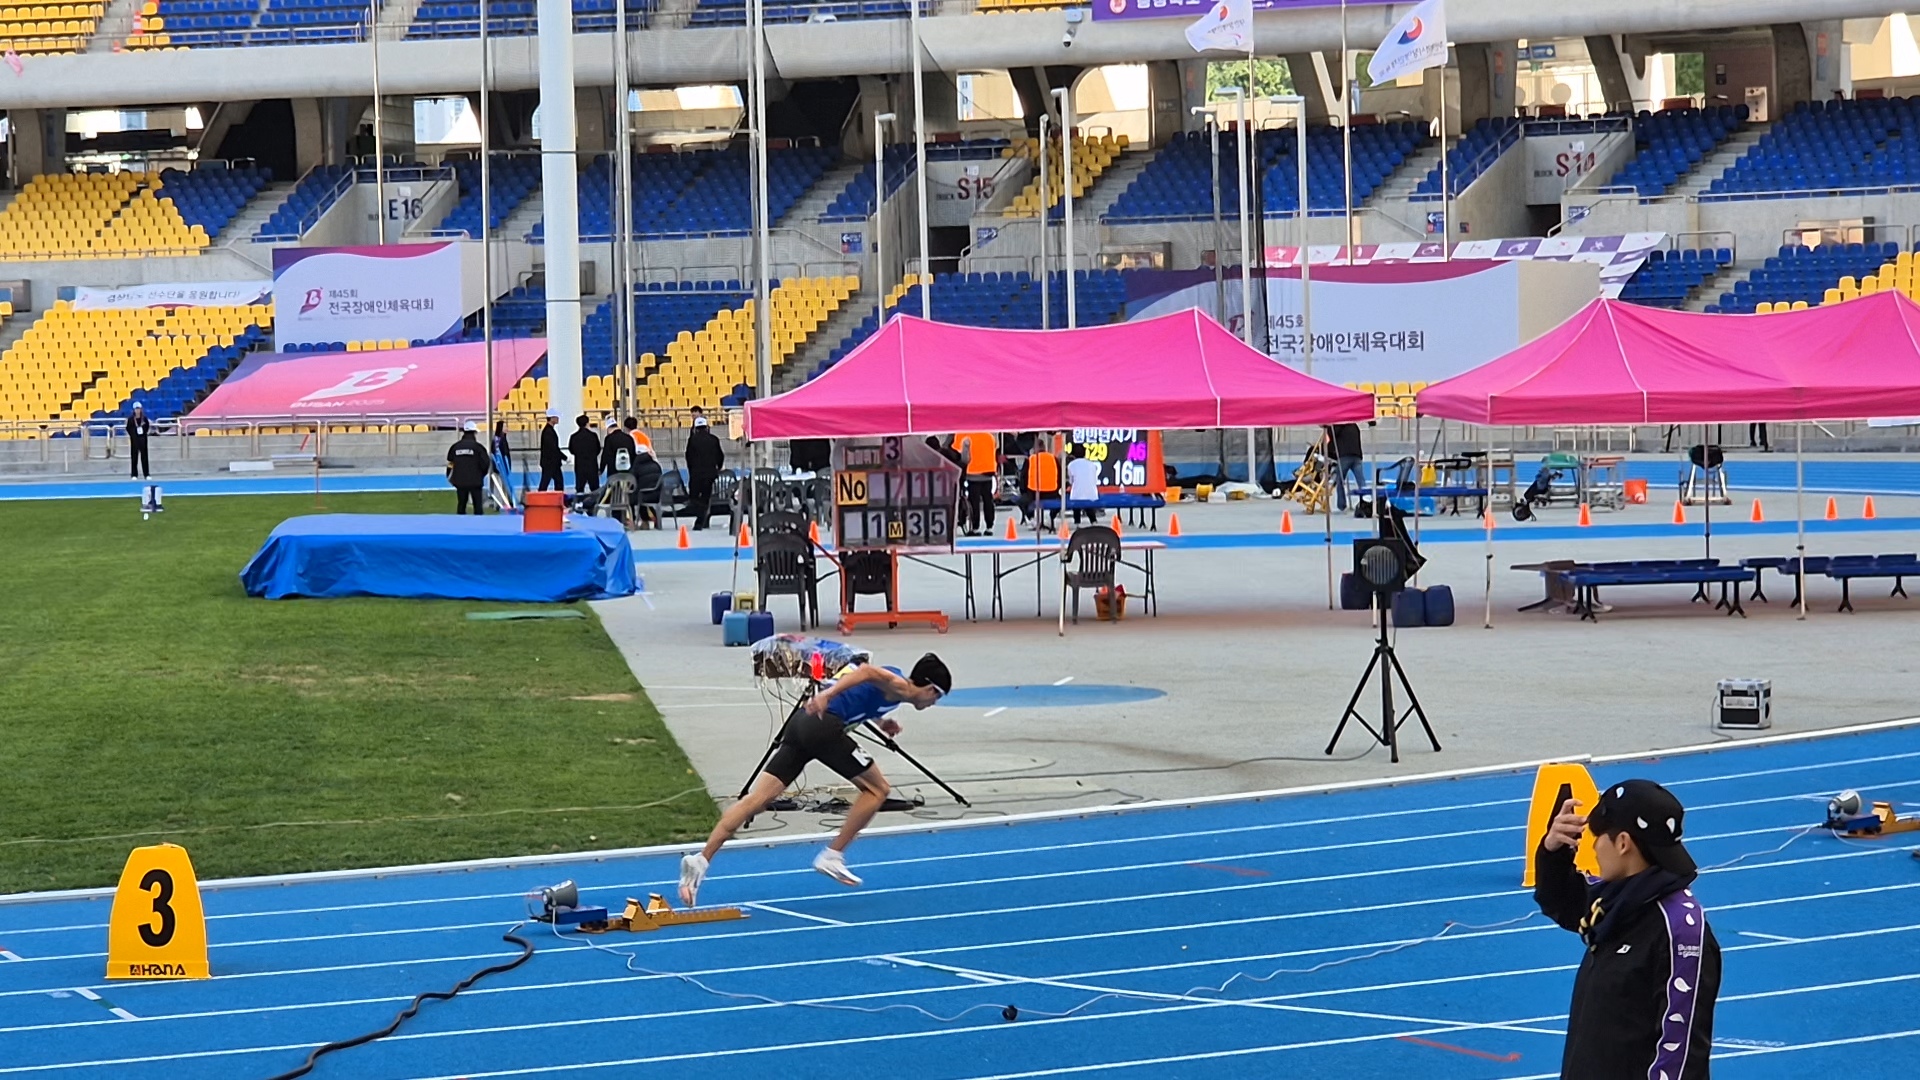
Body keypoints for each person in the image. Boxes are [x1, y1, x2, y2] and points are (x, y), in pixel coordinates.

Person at [680, 653, 952, 904]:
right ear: (930, 689)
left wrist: (881, 721)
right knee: (878, 789)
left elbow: (863, 691)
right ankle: (832, 855)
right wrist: (827, 694)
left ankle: (701, 861)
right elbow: (865, 671)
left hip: (802, 723)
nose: (933, 704)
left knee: (758, 800)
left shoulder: (893, 688)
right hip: (823, 725)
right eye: (937, 697)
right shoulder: (898, 684)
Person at [1535, 780, 1720, 1080]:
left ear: (1622, 843)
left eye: (1598, 838)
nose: (1594, 848)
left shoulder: (1680, 928)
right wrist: (1553, 852)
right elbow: (1564, 903)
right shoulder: (1619, 899)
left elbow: (1680, 1050)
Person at [685, 406, 725, 530]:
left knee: (694, 496)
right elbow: (720, 455)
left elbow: (688, 456)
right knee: (706, 496)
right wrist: (718, 467)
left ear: (696, 428)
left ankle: (700, 518)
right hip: (710, 473)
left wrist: (691, 469)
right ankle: (703, 518)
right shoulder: (714, 439)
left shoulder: (693, 440)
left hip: (696, 473)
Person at [955, 430, 998, 536]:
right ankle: (989, 526)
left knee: (974, 502)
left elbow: (965, 458)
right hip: (988, 472)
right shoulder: (989, 436)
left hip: (973, 474)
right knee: (988, 500)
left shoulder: (967, 437)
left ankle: (975, 527)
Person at [447, 422, 490, 515]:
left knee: (461, 505)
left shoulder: (455, 447)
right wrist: (481, 475)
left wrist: (450, 477)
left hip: (460, 481)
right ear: (474, 432)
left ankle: (460, 522)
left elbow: (450, 464)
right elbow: (486, 464)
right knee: (478, 507)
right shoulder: (479, 448)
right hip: (476, 481)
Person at [1324, 422, 1366, 511]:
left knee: (1339, 481)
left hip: (1344, 456)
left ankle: (1341, 504)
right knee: (1361, 482)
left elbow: (1331, 435)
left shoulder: (1337, 426)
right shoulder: (1354, 425)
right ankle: (1366, 501)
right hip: (1357, 455)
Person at [630, 441, 664, 528]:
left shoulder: (637, 467)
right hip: (658, 495)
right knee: (644, 495)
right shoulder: (656, 464)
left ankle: (639, 521)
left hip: (644, 494)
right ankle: (653, 517)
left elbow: (632, 482)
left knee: (632, 497)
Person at [1065, 443, 1101, 525]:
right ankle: (1093, 521)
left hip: (1076, 496)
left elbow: (1071, 481)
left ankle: (1077, 522)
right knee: (1087, 498)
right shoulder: (1092, 464)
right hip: (1092, 495)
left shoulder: (1071, 465)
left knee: (1076, 497)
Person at [567, 415, 601, 495]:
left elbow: (571, 450)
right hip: (592, 465)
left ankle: (579, 501)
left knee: (580, 489)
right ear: (587, 423)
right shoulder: (593, 435)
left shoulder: (574, 437)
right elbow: (598, 449)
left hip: (580, 465)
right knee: (595, 488)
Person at [602, 417, 638, 487]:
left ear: (608, 428)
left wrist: (601, 469)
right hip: (627, 470)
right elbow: (633, 454)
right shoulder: (629, 438)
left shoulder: (609, 439)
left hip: (613, 471)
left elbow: (605, 455)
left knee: (614, 489)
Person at [537, 412, 566, 492]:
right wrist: (564, 457)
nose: (558, 419)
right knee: (546, 482)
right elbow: (553, 448)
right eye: (556, 417)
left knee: (557, 482)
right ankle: (540, 496)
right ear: (552, 418)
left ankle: (557, 496)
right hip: (550, 462)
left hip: (552, 462)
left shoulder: (549, 430)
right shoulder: (548, 432)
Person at [127, 402, 152, 480]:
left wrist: (143, 434)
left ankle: (146, 474)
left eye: (139, 409)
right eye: (136, 409)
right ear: (134, 410)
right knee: (134, 457)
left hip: (143, 440)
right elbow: (128, 428)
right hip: (134, 440)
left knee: (144, 457)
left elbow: (147, 427)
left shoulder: (144, 419)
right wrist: (133, 435)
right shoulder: (131, 419)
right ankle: (134, 474)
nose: (137, 410)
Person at [491, 420, 514, 493]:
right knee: (502, 483)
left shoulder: (502, 438)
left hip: (503, 464)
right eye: (504, 427)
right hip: (501, 465)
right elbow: (498, 453)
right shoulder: (498, 439)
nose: (506, 428)